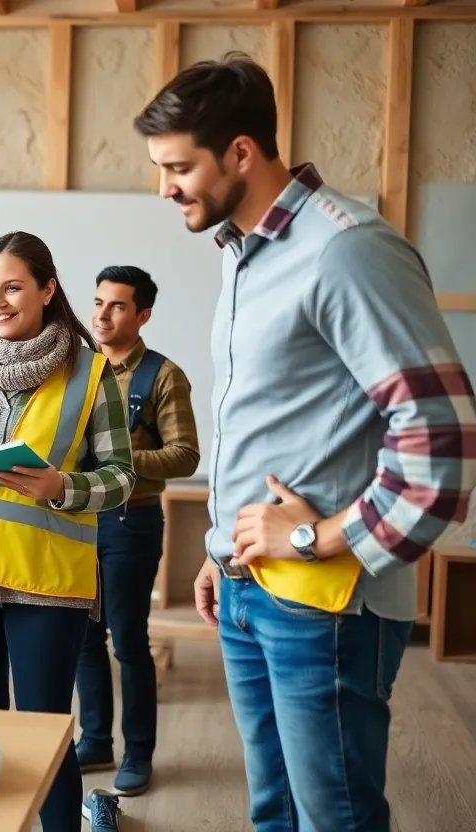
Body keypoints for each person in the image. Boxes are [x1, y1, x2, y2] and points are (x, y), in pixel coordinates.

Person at [134, 54, 476, 832]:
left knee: (336, 821)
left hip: (326, 603)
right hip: (252, 586)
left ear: (242, 153)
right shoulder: (244, 254)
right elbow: (269, 421)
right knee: (275, 814)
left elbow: (442, 437)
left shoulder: (346, 250)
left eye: (178, 167)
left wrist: (317, 535)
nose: (165, 189)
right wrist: (221, 549)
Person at [0, 231, 136, 832]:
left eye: (13, 287)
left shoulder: (92, 373)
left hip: (48, 580)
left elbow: (122, 475)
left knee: (45, 731)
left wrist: (61, 487)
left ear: (47, 288)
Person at [75, 265, 200, 797]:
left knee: (128, 642)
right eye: (99, 302)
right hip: (76, 520)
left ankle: (139, 755)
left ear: (143, 314)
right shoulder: (75, 369)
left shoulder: (163, 376)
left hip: (131, 522)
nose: (102, 315)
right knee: (83, 640)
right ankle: (95, 740)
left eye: (117, 306)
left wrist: (117, 461)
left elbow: (185, 455)